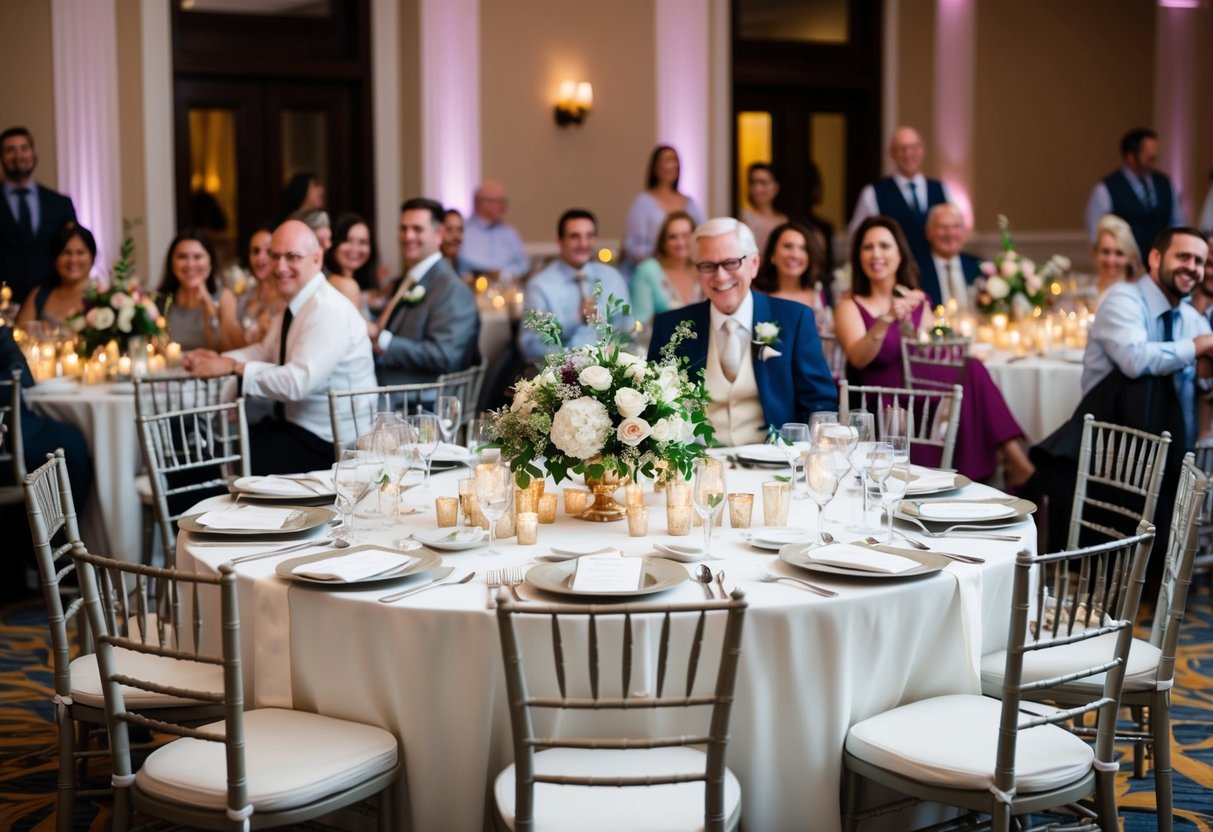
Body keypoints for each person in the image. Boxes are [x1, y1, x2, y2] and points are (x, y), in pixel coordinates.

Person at [834, 216, 1034, 486]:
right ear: (859, 256)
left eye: (885, 246)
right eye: (868, 247)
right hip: (881, 398)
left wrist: (933, 334)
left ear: (899, 255)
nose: (876, 254)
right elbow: (858, 358)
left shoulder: (916, 301)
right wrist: (887, 318)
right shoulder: (849, 304)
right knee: (971, 370)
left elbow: (931, 352)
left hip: (920, 390)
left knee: (970, 367)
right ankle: (1016, 462)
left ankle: (1013, 462)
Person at [182, 220, 377, 475]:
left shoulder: (328, 309)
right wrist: (217, 360)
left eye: (292, 257)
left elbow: (297, 382)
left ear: (317, 259)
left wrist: (232, 367)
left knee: (209, 467)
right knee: (201, 449)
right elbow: (265, 351)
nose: (280, 266)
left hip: (333, 444)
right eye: (275, 256)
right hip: (293, 427)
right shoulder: (295, 304)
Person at [647, 217, 837, 446]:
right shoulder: (670, 327)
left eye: (731, 263)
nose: (720, 276)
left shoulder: (794, 319)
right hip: (696, 462)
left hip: (773, 460)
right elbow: (653, 404)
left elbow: (820, 404)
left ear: (754, 264)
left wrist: (799, 454)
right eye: (708, 266)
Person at [368, 197, 481, 386]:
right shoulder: (410, 278)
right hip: (386, 385)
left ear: (439, 234)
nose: (408, 236)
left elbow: (444, 356)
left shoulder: (452, 288)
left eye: (417, 229)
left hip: (419, 397)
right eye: (403, 229)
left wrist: (383, 341)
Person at [847, 126, 951, 302]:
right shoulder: (873, 193)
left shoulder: (941, 189)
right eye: (902, 149)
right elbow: (857, 235)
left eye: (913, 148)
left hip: (934, 275)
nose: (908, 154)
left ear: (922, 150)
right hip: (894, 278)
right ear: (892, 154)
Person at [519, 209, 632, 367]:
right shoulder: (540, 286)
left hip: (611, 369)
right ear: (560, 241)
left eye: (589, 236)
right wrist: (576, 319)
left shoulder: (611, 277)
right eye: (574, 236)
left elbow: (627, 328)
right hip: (562, 373)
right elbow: (530, 347)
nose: (583, 244)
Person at [0, 126, 77, 305]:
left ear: (34, 155)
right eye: (11, 150)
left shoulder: (60, 204)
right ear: (2, 157)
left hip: (50, 299)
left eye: (24, 148)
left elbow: (73, 248)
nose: (19, 156)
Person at [1085, 128, 1186, 261]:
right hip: (1124, 264)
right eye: (1149, 158)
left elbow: (1177, 224)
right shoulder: (1106, 189)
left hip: (1160, 263)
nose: (1153, 162)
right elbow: (1097, 236)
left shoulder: (1165, 183)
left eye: (1154, 158)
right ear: (1131, 157)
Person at [620, 145, 705, 277]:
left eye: (674, 160)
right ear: (655, 167)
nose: (670, 165)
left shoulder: (690, 202)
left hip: (686, 271)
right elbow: (632, 246)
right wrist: (662, 260)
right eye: (665, 160)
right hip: (653, 272)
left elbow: (701, 235)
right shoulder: (643, 202)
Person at [161, 230, 241, 352]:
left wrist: (207, 303)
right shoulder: (163, 301)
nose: (190, 264)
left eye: (197, 257)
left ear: (210, 261)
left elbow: (228, 349)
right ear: (171, 262)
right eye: (182, 257)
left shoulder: (224, 297)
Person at [753, 221, 832, 333]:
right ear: (772, 255)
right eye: (788, 246)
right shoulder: (757, 299)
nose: (795, 255)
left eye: (803, 248)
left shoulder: (818, 294)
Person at [629, 210, 700, 333]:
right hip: (661, 342)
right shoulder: (648, 270)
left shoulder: (703, 268)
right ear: (663, 242)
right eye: (673, 237)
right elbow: (640, 324)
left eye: (685, 235)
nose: (680, 242)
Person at [17, 223, 95, 329]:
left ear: (92, 257)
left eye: (80, 253)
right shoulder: (39, 296)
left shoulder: (104, 297)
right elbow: (19, 334)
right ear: (55, 258)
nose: (73, 260)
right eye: (66, 253)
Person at [459, 180, 530, 277]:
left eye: (503, 201)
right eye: (498, 201)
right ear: (480, 203)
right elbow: (464, 263)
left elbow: (524, 266)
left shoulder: (510, 233)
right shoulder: (464, 231)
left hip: (507, 284)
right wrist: (488, 272)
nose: (503, 206)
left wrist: (502, 273)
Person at [921, 203, 983, 311]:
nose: (950, 233)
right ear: (929, 232)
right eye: (943, 227)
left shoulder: (978, 267)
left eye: (956, 226)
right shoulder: (916, 270)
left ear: (964, 231)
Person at [234, 225, 286, 347]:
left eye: (268, 251)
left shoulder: (286, 298)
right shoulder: (244, 296)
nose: (260, 258)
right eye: (256, 251)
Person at [324, 212, 378, 312]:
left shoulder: (338, 281)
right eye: (347, 240)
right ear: (334, 243)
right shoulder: (347, 285)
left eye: (363, 242)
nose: (355, 249)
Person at [1090, 214, 1143, 306]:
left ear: (1130, 257)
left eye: (1119, 253)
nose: (1111, 260)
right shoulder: (1086, 291)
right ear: (1096, 253)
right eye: (1105, 252)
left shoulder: (1138, 297)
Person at [739, 162, 787, 255]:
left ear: (775, 187)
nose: (757, 188)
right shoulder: (745, 217)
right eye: (752, 183)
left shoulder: (783, 220)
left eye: (763, 183)